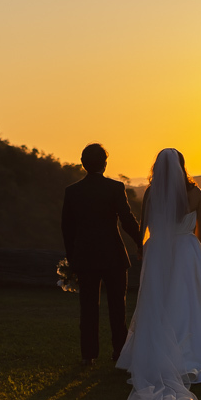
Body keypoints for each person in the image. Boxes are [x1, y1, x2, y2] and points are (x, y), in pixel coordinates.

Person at [115, 148, 201, 400]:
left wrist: (146, 249)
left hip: (159, 251)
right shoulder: (195, 193)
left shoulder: (153, 193)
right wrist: (191, 245)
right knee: (191, 301)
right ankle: (195, 353)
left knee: (160, 301)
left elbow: (145, 226)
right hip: (188, 251)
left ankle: (157, 353)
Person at [61, 143, 143, 365]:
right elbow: (127, 220)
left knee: (88, 307)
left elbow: (67, 229)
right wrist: (141, 243)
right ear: (104, 164)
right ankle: (119, 354)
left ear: (83, 164)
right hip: (113, 256)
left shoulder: (72, 192)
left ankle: (88, 355)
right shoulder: (115, 188)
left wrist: (72, 258)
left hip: (85, 257)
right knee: (118, 306)